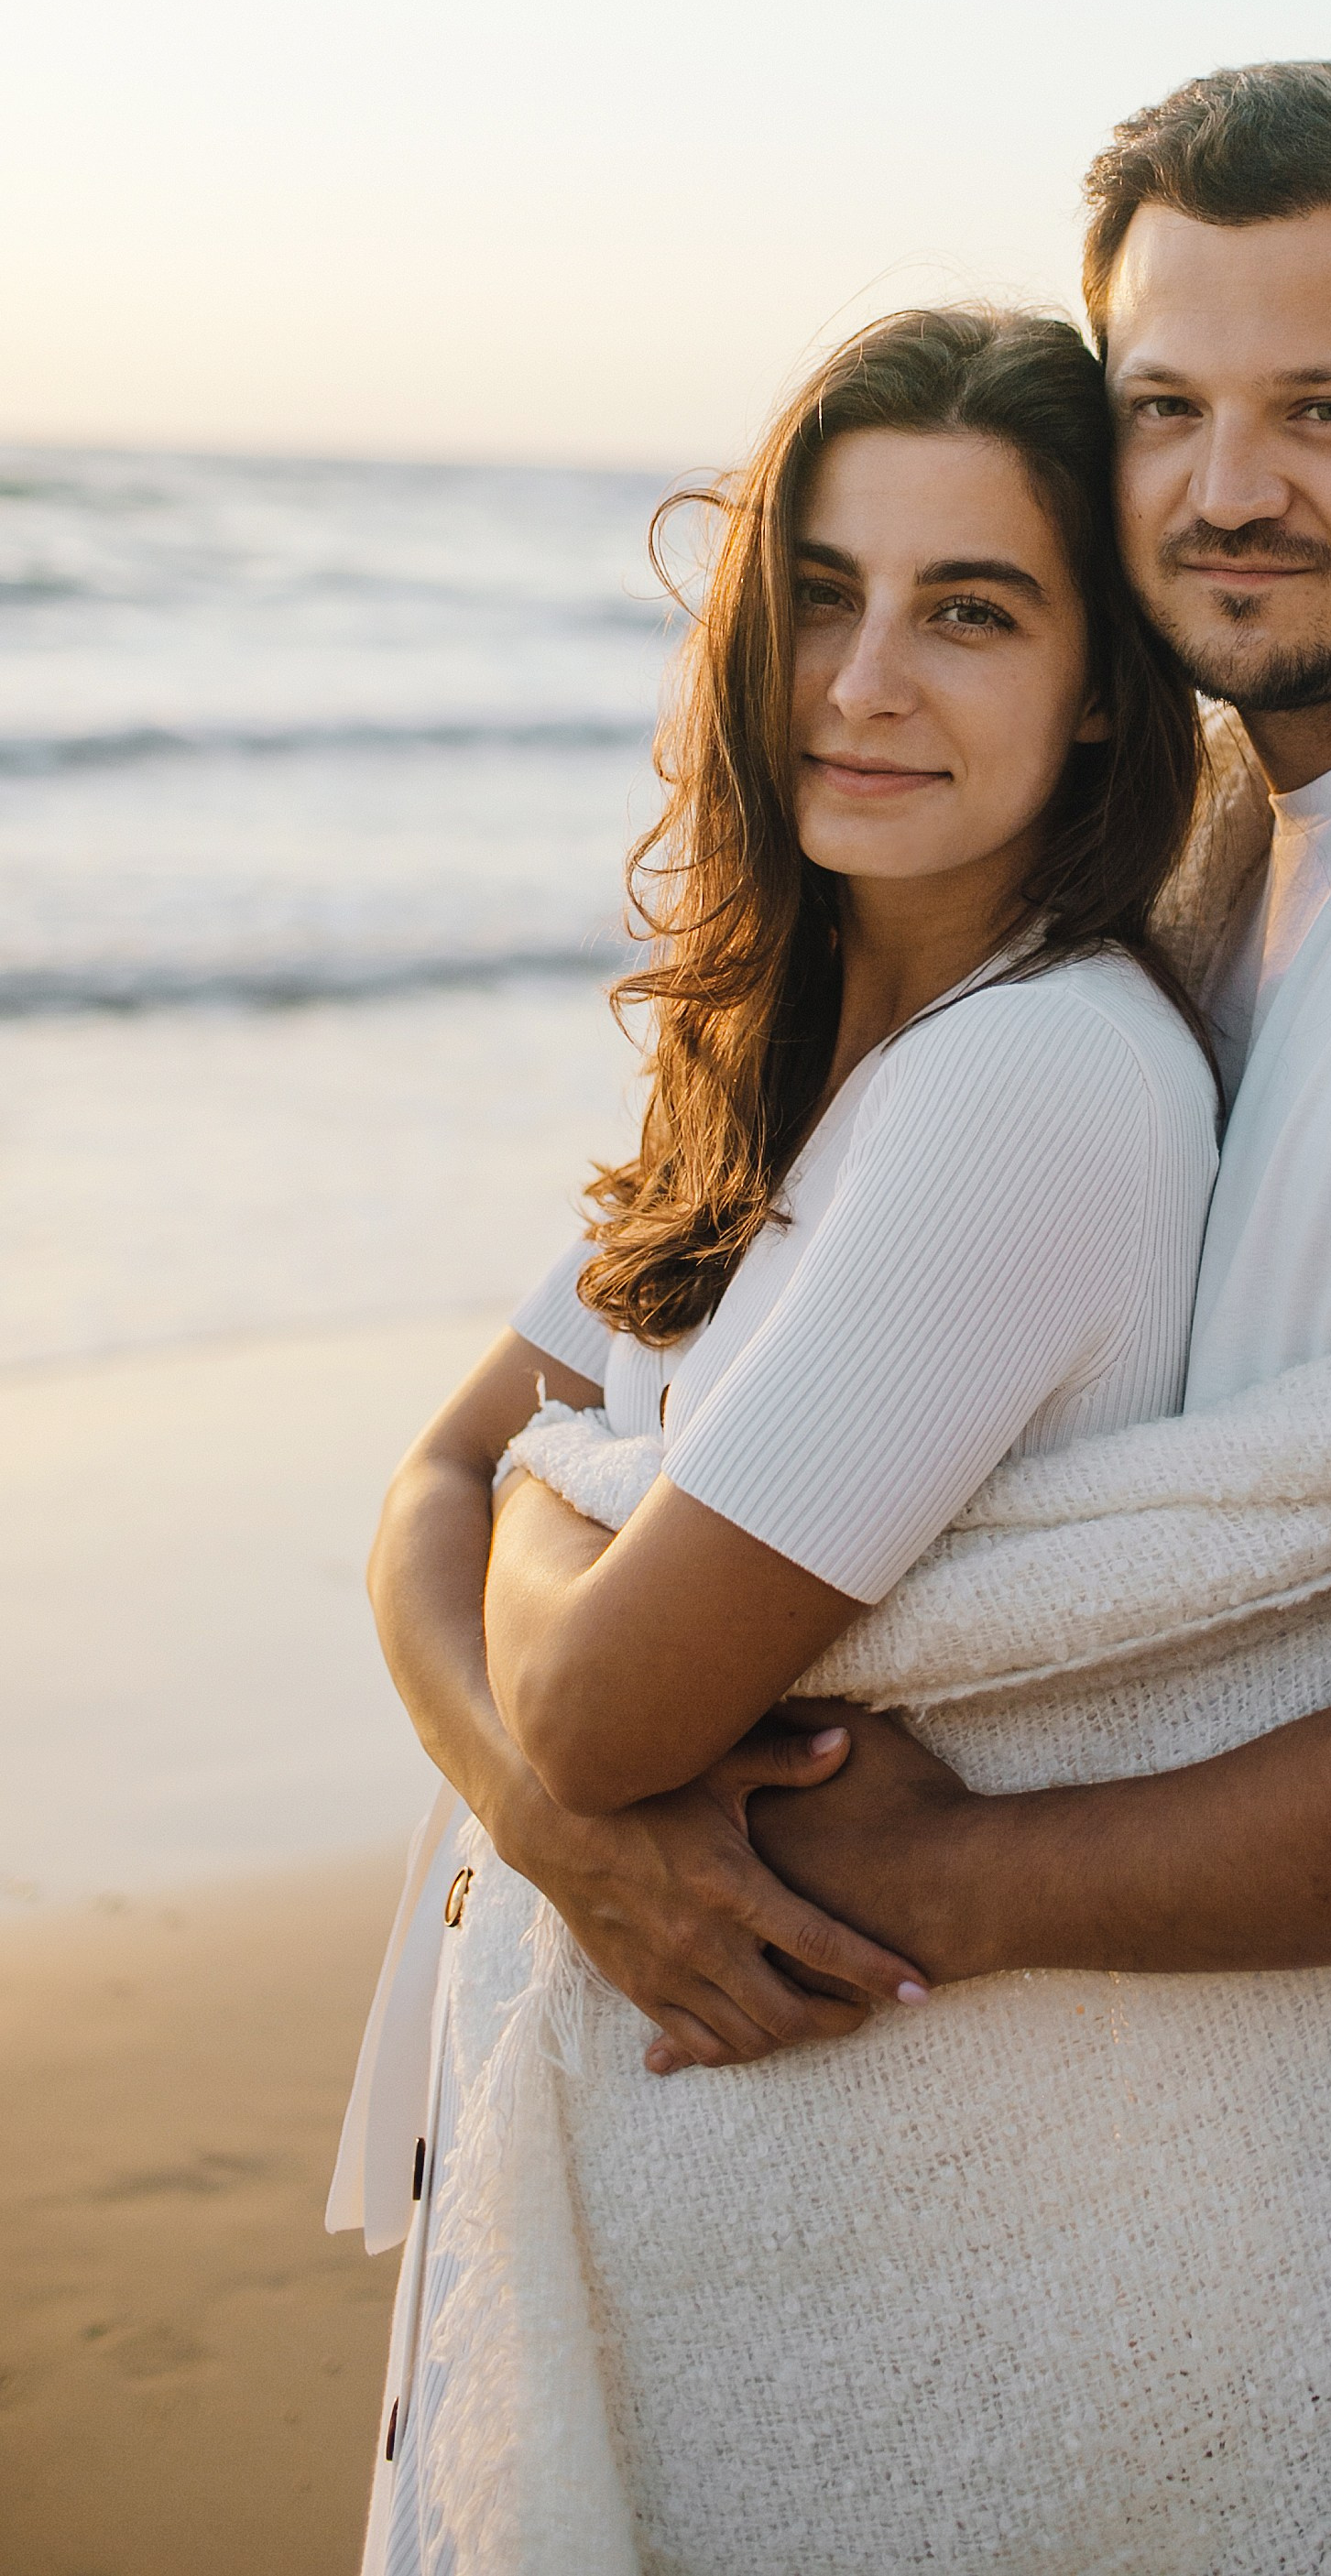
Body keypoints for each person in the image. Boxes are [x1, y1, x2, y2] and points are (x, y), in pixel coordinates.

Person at [349, 67, 1331, 2573]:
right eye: (1172, 410)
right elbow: (477, 1499)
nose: (1231, 486)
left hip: (1263, 2214)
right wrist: (565, 1804)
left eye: (1326, 408)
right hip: (1147, 2221)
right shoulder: (1243, 859)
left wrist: (935, 1884)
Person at [348, 305, 1220, 2568]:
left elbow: (597, 1684)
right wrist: (551, 1806)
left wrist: (546, 1650)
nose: (863, 680)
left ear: (1105, 680)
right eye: (821, 593)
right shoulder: (780, 1051)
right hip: (698, 2186)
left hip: (841, 2254)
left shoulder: (1034, 1088)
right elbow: (422, 1494)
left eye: (971, 609)